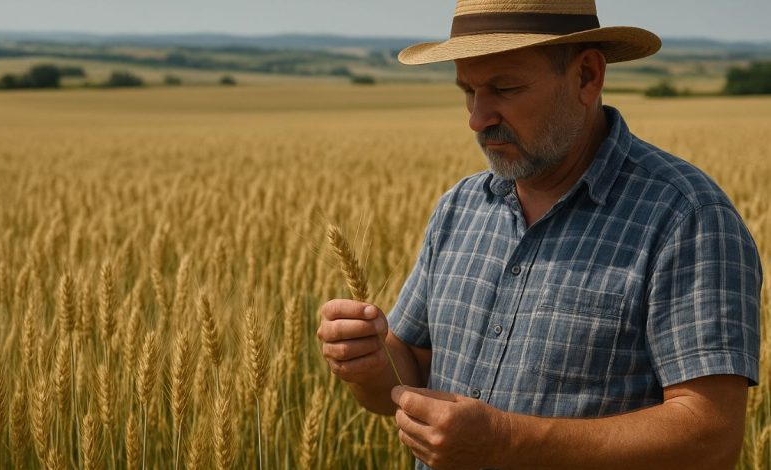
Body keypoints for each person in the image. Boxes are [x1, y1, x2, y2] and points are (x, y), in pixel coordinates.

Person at [317, 1, 762, 468]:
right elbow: (410, 365)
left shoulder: (685, 219)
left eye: (505, 88)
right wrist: (369, 362)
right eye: (468, 90)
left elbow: (712, 438)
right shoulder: (460, 207)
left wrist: (506, 442)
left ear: (587, 76)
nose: (477, 117)